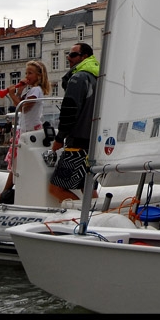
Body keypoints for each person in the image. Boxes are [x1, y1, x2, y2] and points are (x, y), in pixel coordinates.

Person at [0, 60, 50, 203]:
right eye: (26, 73)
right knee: (16, 163)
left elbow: (23, 107)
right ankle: (7, 192)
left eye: (30, 73)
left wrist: (11, 95)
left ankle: (5, 192)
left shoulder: (36, 90)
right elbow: (21, 103)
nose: (26, 76)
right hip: (25, 130)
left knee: (16, 163)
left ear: (39, 76)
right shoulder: (31, 90)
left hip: (28, 131)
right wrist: (19, 91)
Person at [48, 43, 100, 202]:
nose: (68, 58)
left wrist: (59, 138)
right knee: (87, 185)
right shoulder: (98, 77)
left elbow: (69, 111)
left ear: (84, 57)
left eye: (72, 55)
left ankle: (84, 217)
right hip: (94, 143)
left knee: (55, 188)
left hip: (77, 144)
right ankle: (101, 218)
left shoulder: (78, 78)